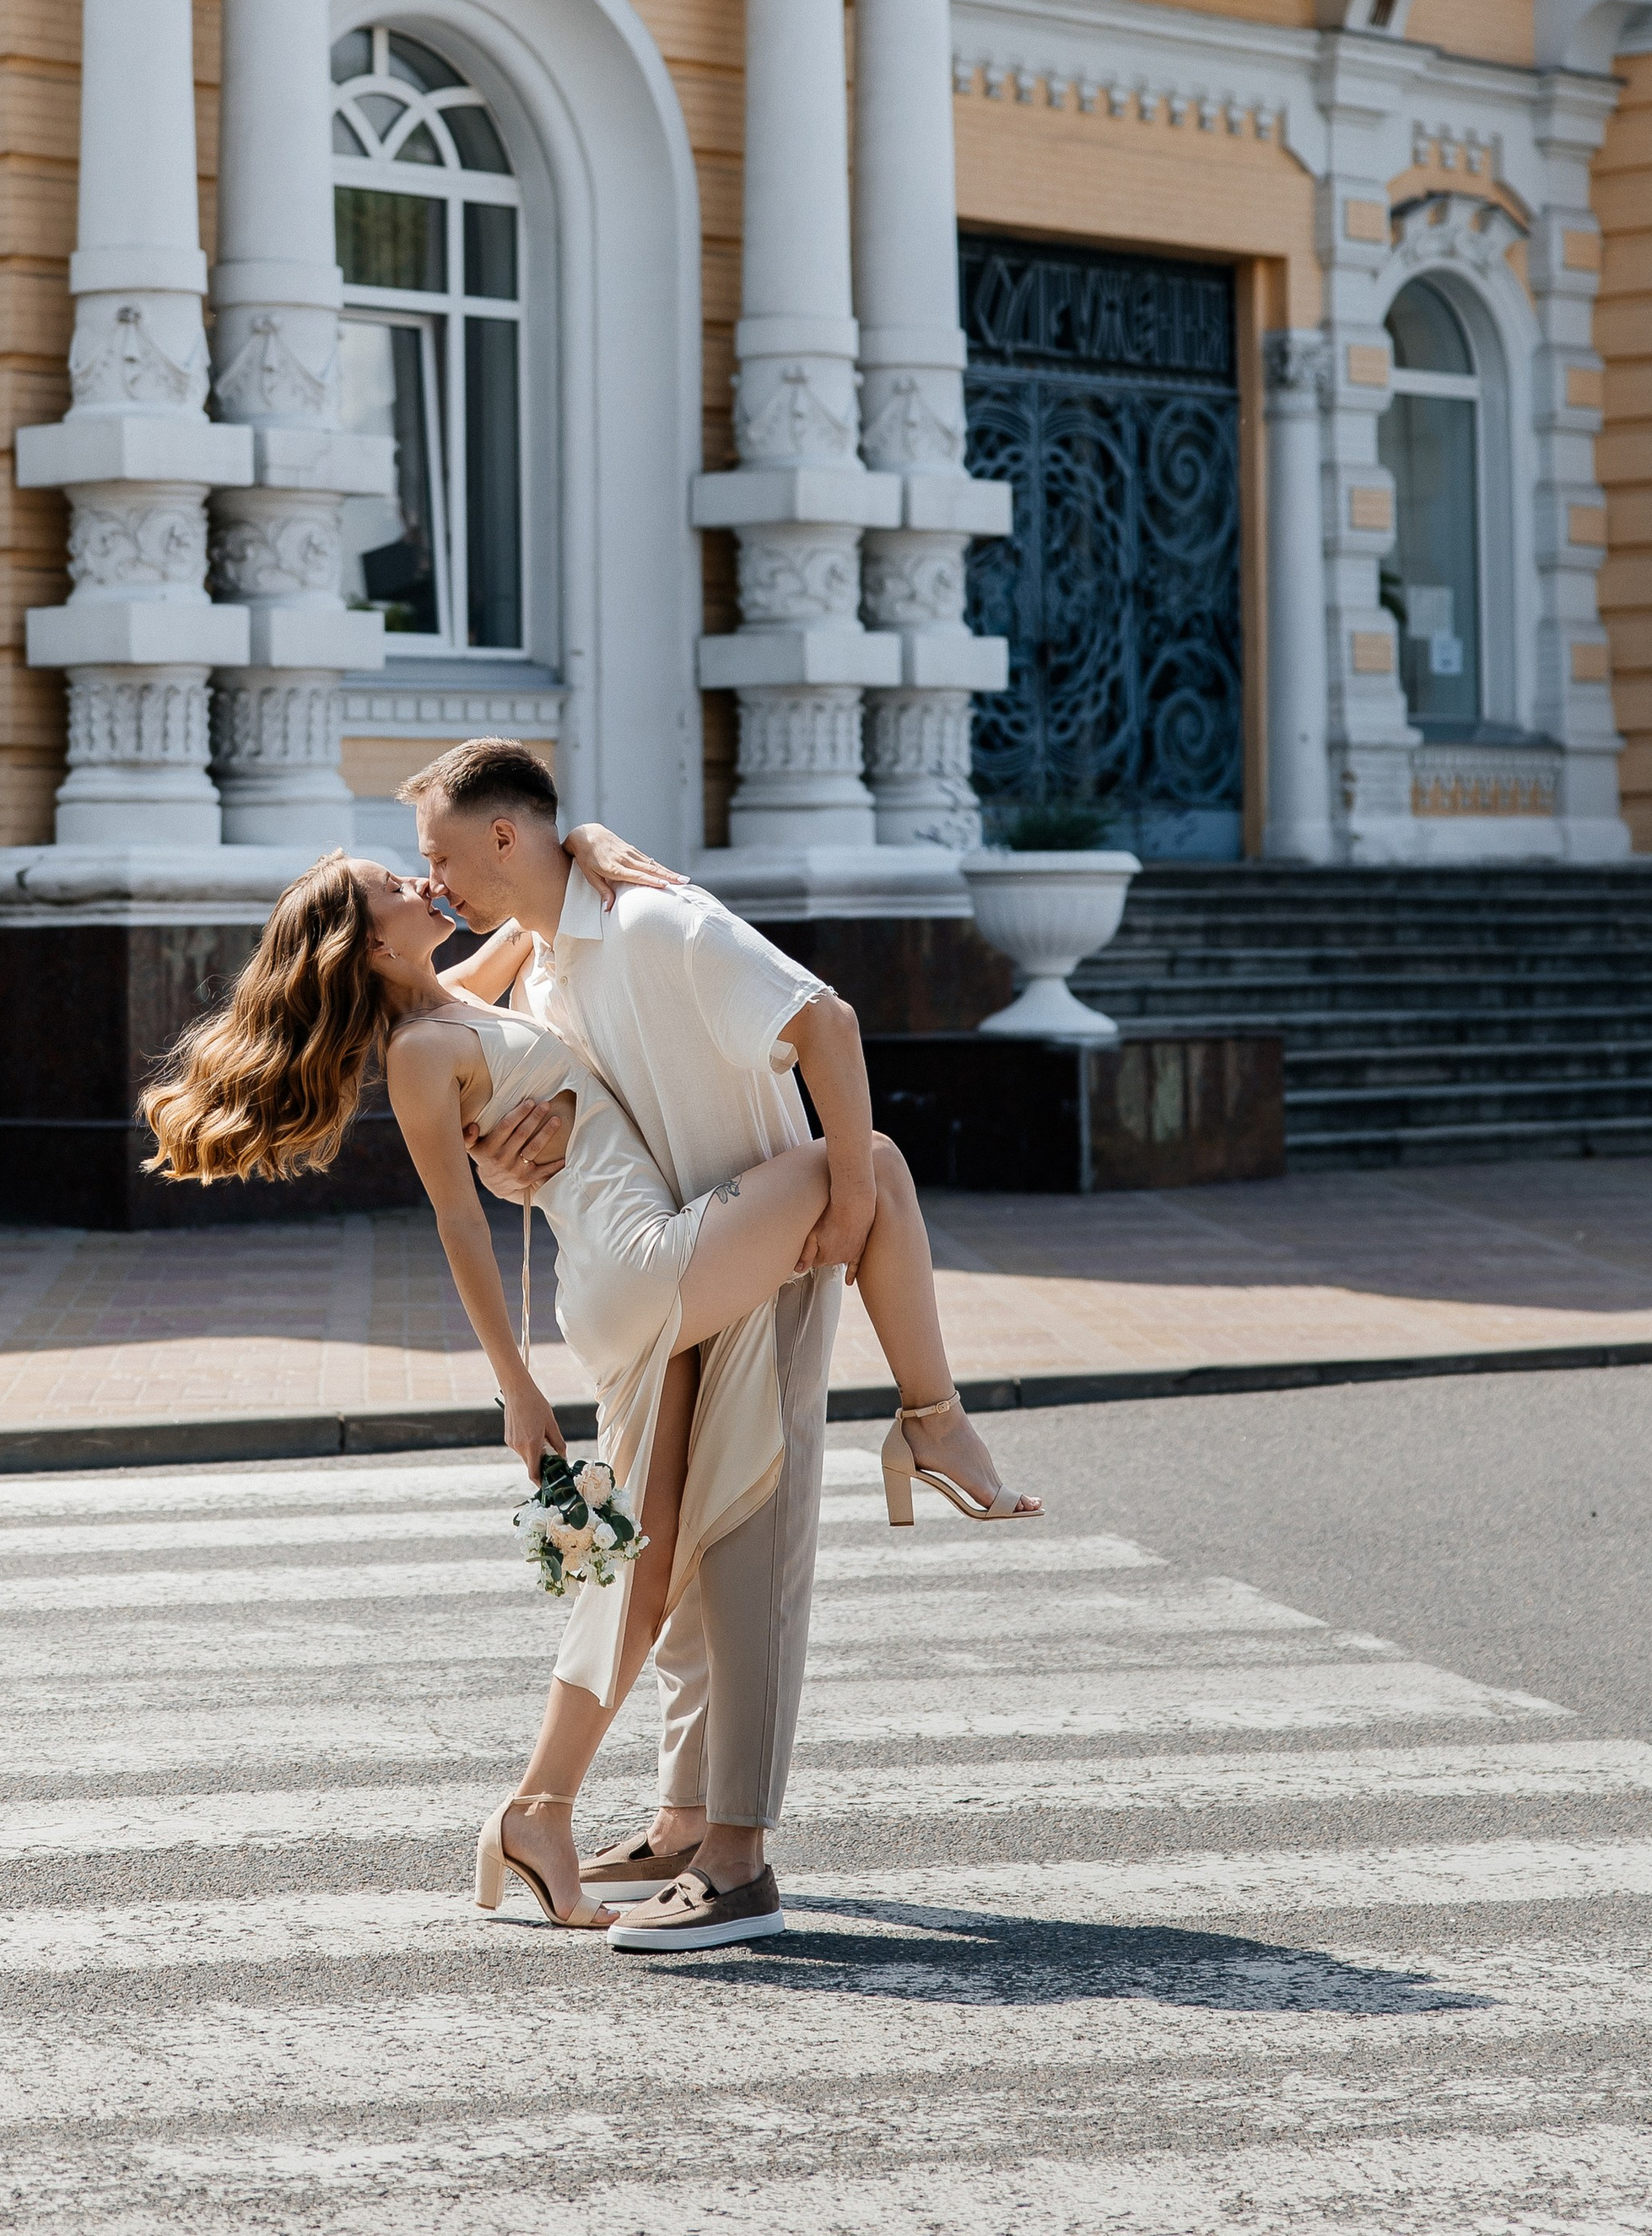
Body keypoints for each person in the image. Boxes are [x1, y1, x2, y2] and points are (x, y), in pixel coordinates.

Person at [142, 754, 1036, 1955]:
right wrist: (515, 1391)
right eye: (401, 881)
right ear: (364, 946)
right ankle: (932, 1419)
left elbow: (549, 918)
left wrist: (598, 843)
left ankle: (545, 1813)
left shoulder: (486, 976)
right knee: (867, 1165)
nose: (427, 879)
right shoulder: (421, 1047)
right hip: (643, 1265)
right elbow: (459, 1223)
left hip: (637, 1264)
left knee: (650, 1557)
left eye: (438, 857)